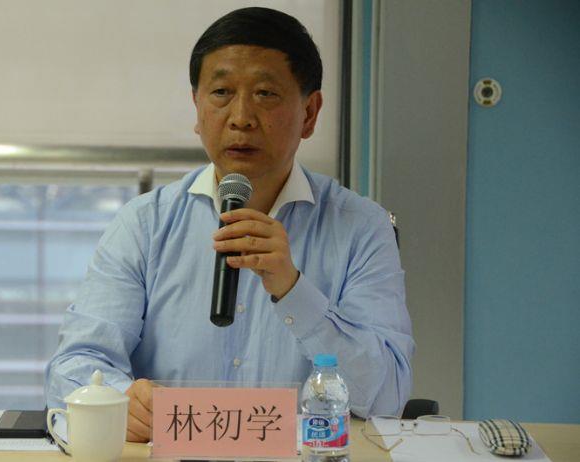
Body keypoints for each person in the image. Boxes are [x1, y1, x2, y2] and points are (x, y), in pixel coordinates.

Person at [45, 7, 414, 443]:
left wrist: (293, 290)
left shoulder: (361, 228)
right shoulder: (144, 224)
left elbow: (386, 397)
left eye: (265, 93)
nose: (241, 117)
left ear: (310, 113)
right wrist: (120, 400)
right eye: (221, 92)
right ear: (197, 108)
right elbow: (74, 365)